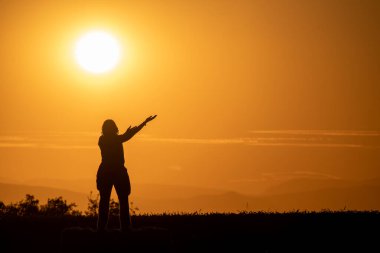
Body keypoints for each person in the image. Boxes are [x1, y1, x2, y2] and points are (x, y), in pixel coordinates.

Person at [96, 115, 157, 231]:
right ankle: (124, 228)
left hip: (106, 172)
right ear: (114, 128)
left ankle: (102, 228)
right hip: (117, 172)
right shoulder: (108, 139)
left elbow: (125, 136)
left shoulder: (102, 140)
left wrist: (141, 124)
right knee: (121, 201)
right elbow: (126, 136)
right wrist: (143, 123)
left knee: (106, 201)